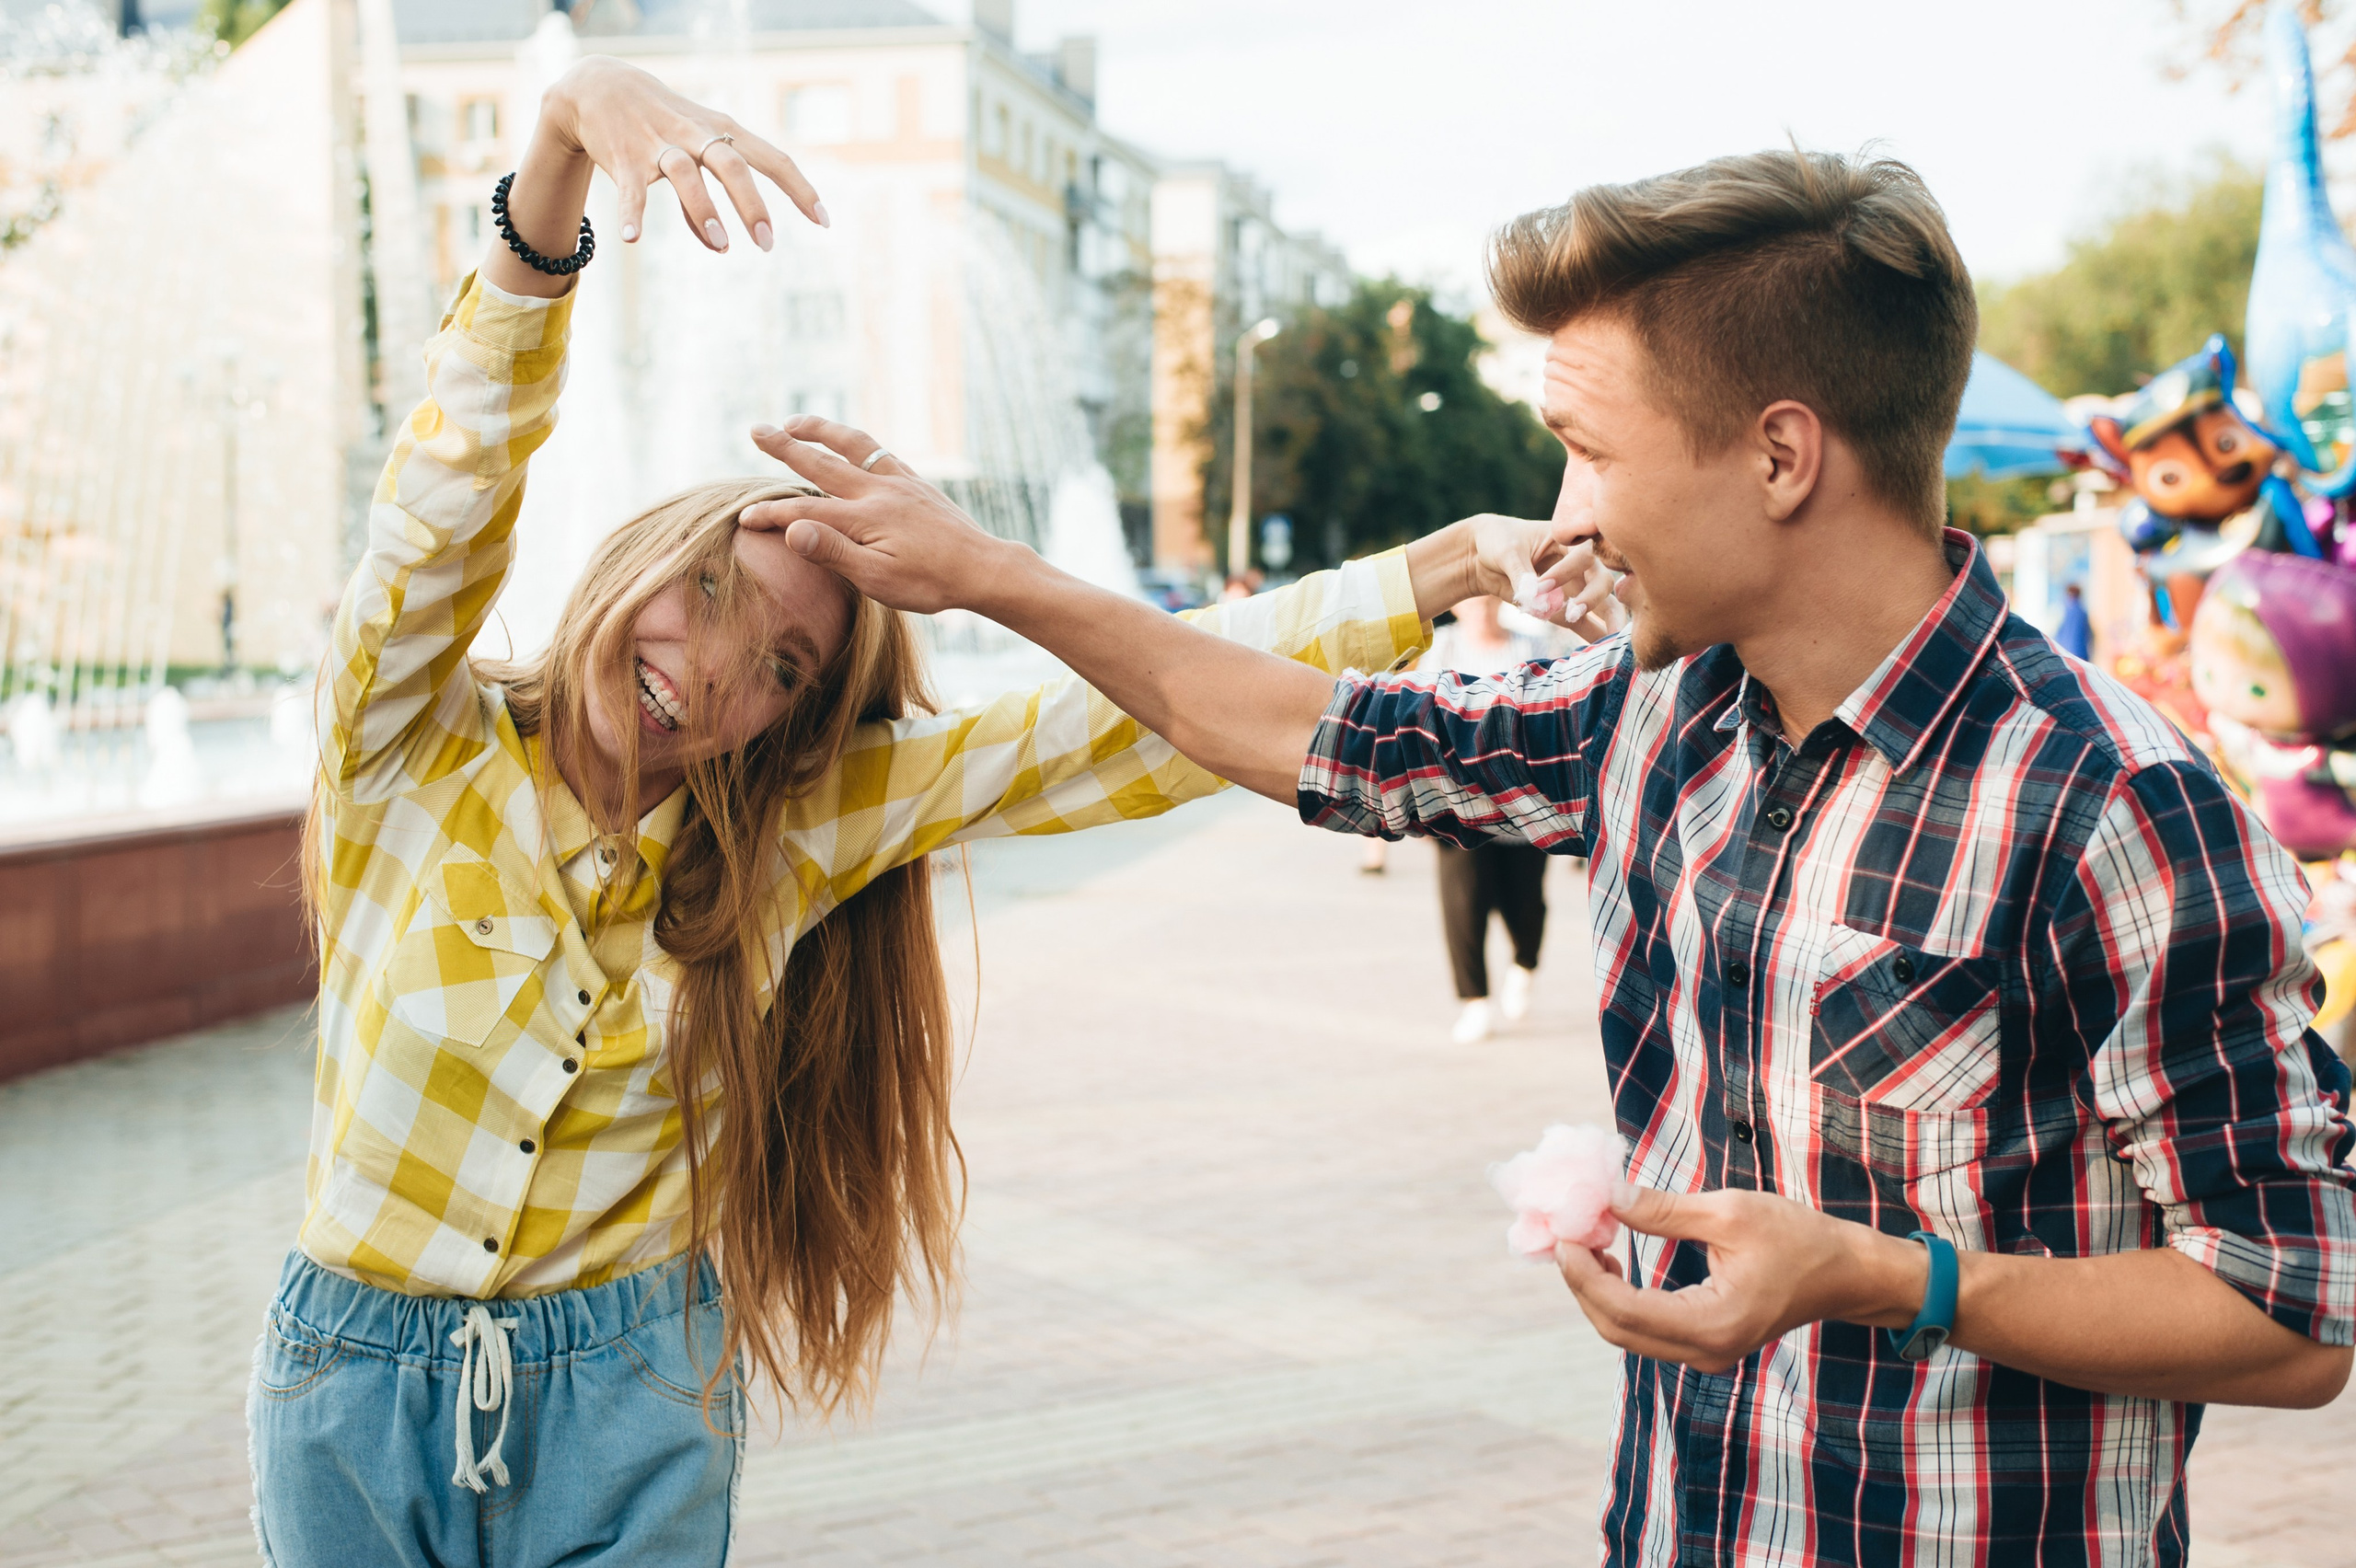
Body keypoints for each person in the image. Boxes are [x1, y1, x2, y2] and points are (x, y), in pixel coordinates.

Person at [753, 147, 2356, 1565]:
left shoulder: (2108, 804)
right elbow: (1306, 731)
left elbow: (2289, 1312)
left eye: (1587, 446)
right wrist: (992, 578)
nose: (1560, 515)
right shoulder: (1660, 712)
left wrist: (1884, 1276)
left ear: (1782, 456)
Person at [252, 56, 1553, 1564]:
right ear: (647, 549)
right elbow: (450, 477)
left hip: (630, 1385)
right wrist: (562, 140)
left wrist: (1450, 562)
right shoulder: (410, 740)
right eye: (712, 587)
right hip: (351, 1384)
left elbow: (1109, 728)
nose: (709, 665)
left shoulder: (793, 825)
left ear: (797, 719)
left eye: (784, 665)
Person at [1425, 594, 1560, 1043]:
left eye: (1488, 600)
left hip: (1523, 804)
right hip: (1458, 804)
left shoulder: (1531, 648)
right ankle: (1474, 1002)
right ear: (1457, 607)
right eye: (1470, 601)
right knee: (1463, 905)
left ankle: (1525, 963)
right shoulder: (1440, 648)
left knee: (1525, 904)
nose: (1480, 608)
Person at [2057, 579, 2092, 659]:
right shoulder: (2082, 612)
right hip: (2079, 656)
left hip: (2066, 655)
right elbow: (2089, 636)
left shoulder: (2065, 612)